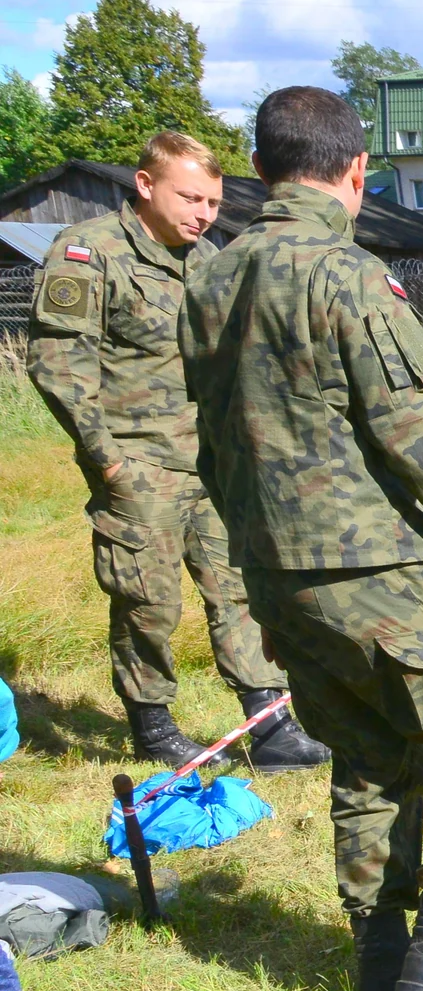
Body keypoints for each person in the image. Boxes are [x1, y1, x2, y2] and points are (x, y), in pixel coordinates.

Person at [181, 87, 423, 991]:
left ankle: (381, 970)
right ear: (355, 173)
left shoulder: (208, 279)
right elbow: (418, 430)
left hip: (269, 568)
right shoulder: (347, 276)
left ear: (257, 172)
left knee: (370, 751)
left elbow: (209, 439)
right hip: (367, 562)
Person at [27, 131, 328, 772]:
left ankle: (269, 724)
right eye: (190, 197)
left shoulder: (203, 259)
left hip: (213, 465)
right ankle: (153, 726)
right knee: (148, 601)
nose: (204, 213)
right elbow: (59, 369)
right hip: (139, 466)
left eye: (213, 203)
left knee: (241, 590)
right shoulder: (88, 254)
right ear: (145, 185)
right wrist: (107, 462)